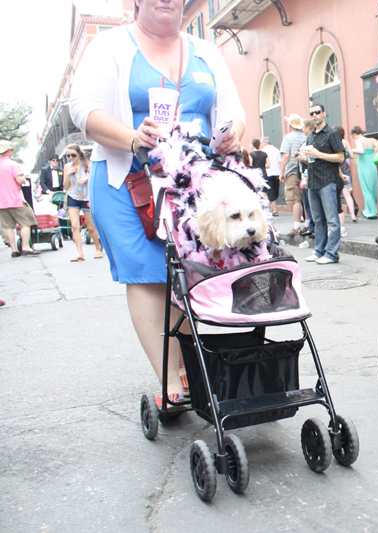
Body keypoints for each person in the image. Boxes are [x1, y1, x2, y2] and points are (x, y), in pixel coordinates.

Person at [69, 0, 245, 402]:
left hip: (192, 184)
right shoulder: (110, 46)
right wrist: (132, 137)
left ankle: (189, 367)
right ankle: (170, 380)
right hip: (128, 183)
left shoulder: (206, 51)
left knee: (188, 275)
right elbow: (84, 109)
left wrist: (234, 130)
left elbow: (233, 109)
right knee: (151, 276)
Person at [298, 104, 344, 264]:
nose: (315, 115)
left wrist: (319, 154)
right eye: (312, 113)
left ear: (324, 113)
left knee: (332, 220)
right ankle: (319, 251)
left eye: (317, 112)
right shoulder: (310, 136)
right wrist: (304, 158)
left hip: (328, 181)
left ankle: (331, 254)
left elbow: (340, 157)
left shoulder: (332, 133)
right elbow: (312, 159)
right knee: (317, 220)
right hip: (313, 181)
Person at [62, 143, 103, 262]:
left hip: (86, 197)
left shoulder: (87, 165)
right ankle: (80, 253)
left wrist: (86, 178)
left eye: (73, 155)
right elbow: (65, 186)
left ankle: (97, 249)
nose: (70, 158)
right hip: (73, 196)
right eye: (68, 156)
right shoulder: (67, 167)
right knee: (74, 225)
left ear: (79, 154)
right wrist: (68, 174)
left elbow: (97, 181)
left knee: (90, 226)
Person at [0, 140, 41, 257]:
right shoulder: (12, 164)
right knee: (26, 222)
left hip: (1, 202)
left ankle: (14, 249)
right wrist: (24, 179)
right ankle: (26, 246)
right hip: (15, 199)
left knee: (8, 226)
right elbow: (19, 180)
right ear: (9, 150)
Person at [279, 114, 309, 236]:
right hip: (305, 170)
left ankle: (296, 225)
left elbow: (285, 155)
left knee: (296, 199)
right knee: (306, 199)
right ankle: (307, 223)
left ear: (290, 125)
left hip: (292, 170)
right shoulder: (305, 136)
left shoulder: (288, 137)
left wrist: (282, 172)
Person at [350, 126, 378, 219]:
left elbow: (361, 151)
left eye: (353, 136)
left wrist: (351, 150)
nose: (353, 138)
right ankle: (371, 209)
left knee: (366, 189)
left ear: (355, 134)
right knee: (373, 188)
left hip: (363, 165)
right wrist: (374, 151)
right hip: (372, 163)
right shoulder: (371, 139)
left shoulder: (358, 140)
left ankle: (371, 212)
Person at [334, 125, 359, 227]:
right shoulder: (345, 142)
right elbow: (352, 155)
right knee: (347, 193)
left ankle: (338, 215)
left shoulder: (333, 141)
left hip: (336, 168)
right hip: (345, 167)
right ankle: (353, 215)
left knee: (335, 195)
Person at [261, 136, 282, 216]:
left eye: (262, 143)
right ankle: (274, 208)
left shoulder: (263, 151)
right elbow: (280, 161)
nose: (261, 144)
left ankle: (274, 209)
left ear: (265, 143)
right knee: (275, 191)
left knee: (270, 191)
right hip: (276, 172)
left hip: (268, 172)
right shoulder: (276, 150)